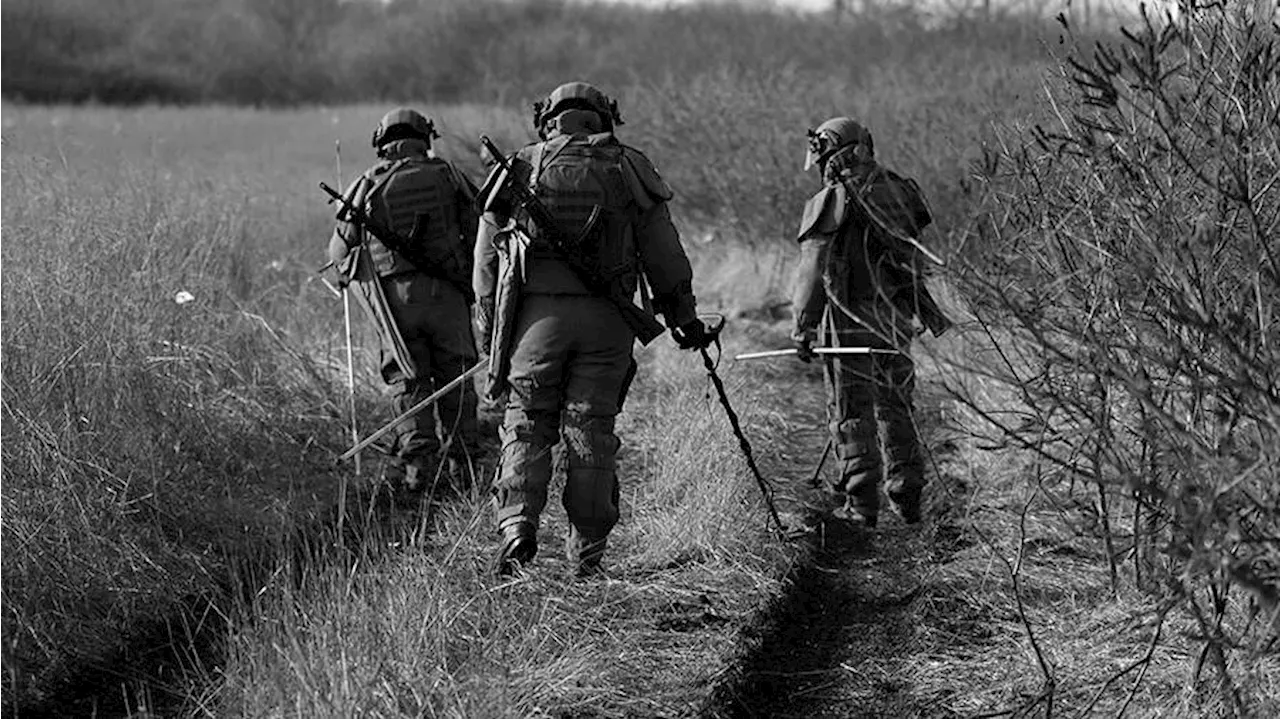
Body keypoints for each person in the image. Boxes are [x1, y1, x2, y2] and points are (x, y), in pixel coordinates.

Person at [475, 81, 710, 576]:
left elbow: (486, 261)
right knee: (590, 427)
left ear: (549, 119)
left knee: (528, 420)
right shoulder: (628, 165)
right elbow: (663, 251)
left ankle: (517, 525)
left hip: (534, 323)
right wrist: (683, 316)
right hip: (607, 323)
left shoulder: (519, 166)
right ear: (604, 118)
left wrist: (487, 326)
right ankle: (586, 555)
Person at [790, 116, 948, 528]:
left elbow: (812, 268)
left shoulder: (830, 200)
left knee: (850, 408)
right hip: (896, 318)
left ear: (829, 153)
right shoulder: (902, 190)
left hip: (848, 319)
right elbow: (914, 258)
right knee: (897, 405)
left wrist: (803, 326)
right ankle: (907, 495)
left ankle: (861, 504)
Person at [328, 107, 482, 494]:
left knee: (407, 379)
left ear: (382, 142)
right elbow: (478, 229)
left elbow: (339, 253)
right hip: (446, 295)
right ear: (424, 138)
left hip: (395, 303)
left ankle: (417, 469)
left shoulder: (365, 185)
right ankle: (463, 468)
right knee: (457, 376)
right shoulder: (449, 175)